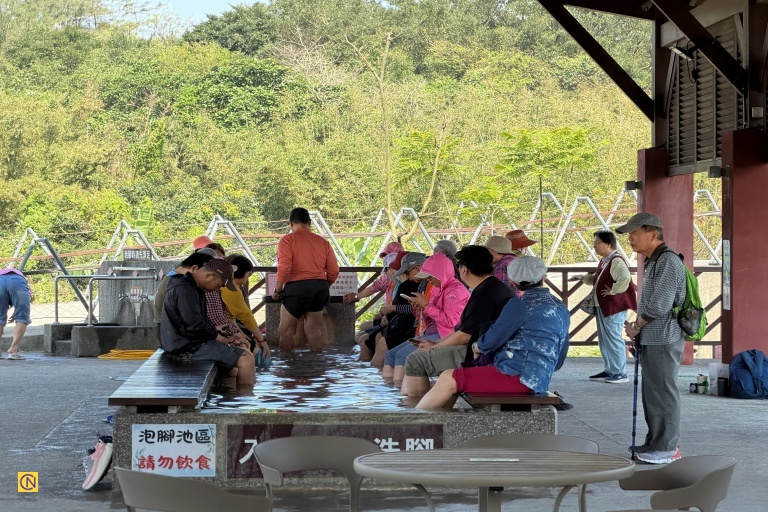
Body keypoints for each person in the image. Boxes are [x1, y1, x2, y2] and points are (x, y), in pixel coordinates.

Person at [416, 255, 570, 409]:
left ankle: (416, 425)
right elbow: (560, 357)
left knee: (448, 378)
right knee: (457, 378)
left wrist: (477, 346)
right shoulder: (561, 308)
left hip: (516, 376)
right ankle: (440, 427)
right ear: (543, 276)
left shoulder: (519, 305)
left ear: (512, 281)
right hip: (539, 379)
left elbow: (492, 340)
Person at [618, 213, 687, 465]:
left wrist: (636, 326)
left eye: (635, 233)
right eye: (629, 234)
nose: (631, 238)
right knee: (652, 393)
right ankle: (656, 441)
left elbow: (659, 305)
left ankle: (668, 447)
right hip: (652, 337)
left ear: (653, 234)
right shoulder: (653, 261)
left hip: (663, 337)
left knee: (663, 392)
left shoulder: (667, 261)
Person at [403, 246, 514, 396]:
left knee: (415, 360)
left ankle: (420, 413)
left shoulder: (485, 293)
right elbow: (463, 330)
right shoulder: (492, 287)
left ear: (463, 269)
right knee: (419, 357)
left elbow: (465, 335)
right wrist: (435, 344)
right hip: (488, 348)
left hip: (485, 353)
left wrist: (434, 347)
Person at [160, 258, 255, 387]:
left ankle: (234, 399)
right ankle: (246, 401)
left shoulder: (189, 287)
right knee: (246, 359)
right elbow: (195, 325)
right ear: (209, 276)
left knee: (234, 370)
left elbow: (194, 323)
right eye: (218, 286)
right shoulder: (186, 290)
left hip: (185, 344)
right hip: (185, 349)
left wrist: (223, 335)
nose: (217, 290)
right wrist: (220, 338)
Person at [571, 231, 637, 383]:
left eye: (597, 243)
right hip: (604, 305)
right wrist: (582, 277)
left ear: (608, 244)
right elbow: (598, 279)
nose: (594, 246)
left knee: (613, 338)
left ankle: (620, 372)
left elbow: (625, 277)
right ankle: (610, 369)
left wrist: (613, 290)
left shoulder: (616, 260)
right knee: (605, 339)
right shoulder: (606, 261)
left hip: (613, 305)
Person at [272, 207, 340, 352]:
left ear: (291, 223)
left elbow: (284, 267)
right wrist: (323, 285)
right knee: (313, 331)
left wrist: (277, 289)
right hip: (319, 287)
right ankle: (316, 367)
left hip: (296, 288)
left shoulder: (287, 240)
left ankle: (288, 367)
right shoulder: (323, 242)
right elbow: (334, 271)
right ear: (309, 222)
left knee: (285, 331)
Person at [153, 251, 215, 335]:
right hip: (170, 333)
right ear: (194, 268)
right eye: (207, 274)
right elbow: (191, 320)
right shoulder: (179, 284)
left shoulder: (175, 279)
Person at [222, 253, 270, 358]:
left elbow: (231, 317)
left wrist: (242, 335)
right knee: (256, 351)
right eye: (249, 274)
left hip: (225, 328)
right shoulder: (231, 288)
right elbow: (245, 316)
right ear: (243, 272)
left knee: (249, 342)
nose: (248, 277)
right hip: (222, 332)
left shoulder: (225, 284)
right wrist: (262, 341)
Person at [0, 267, 31, 360]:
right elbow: (22, 305)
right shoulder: (21, 279)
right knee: (22, 317)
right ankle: (13, 350)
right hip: (17, 281)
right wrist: (17, 313)